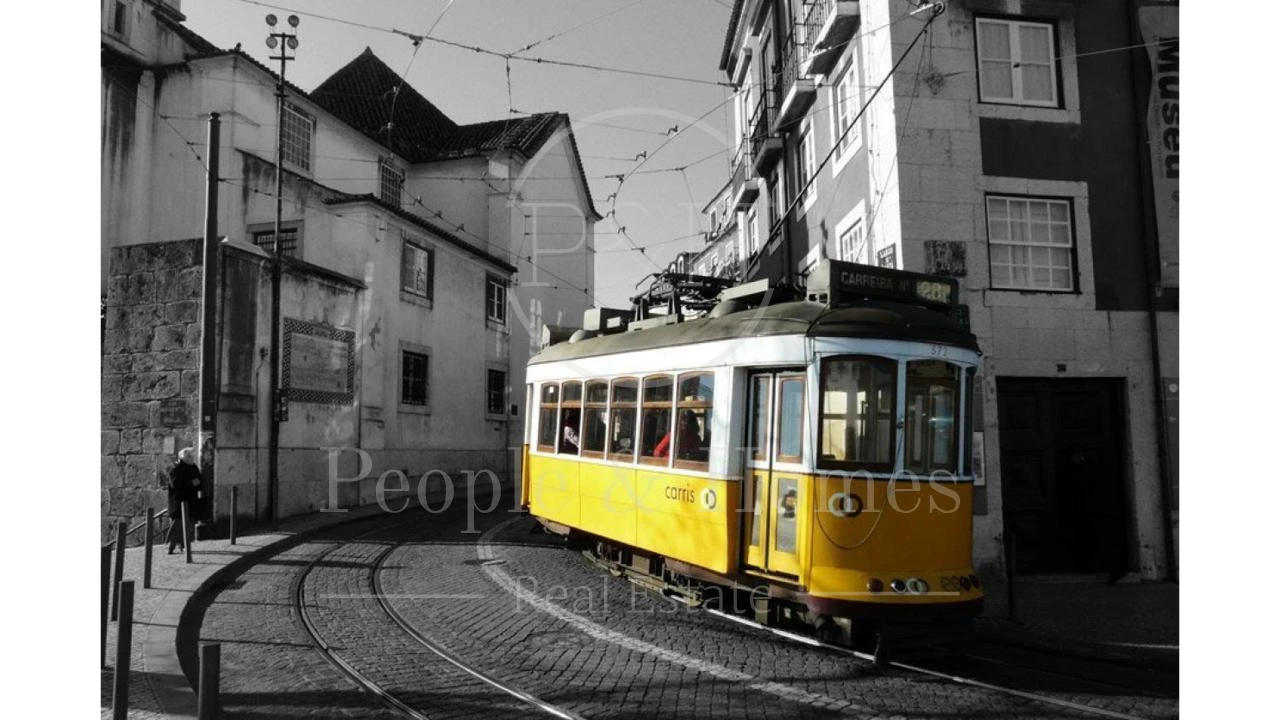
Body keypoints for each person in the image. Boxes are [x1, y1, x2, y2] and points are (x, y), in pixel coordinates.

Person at [166, 447, 202, 554]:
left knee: (189, 525)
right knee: (176, 526)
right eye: (189, 456)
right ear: (183, 458)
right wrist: (191, 483)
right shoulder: (175, 469)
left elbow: (199, 478)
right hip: (178, 503)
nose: (192, 458)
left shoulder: (193, 467)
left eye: (192, 456)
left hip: (191, 502)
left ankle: (185, 545)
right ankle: (171, 546)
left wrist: (198, 483)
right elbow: (175, 485)